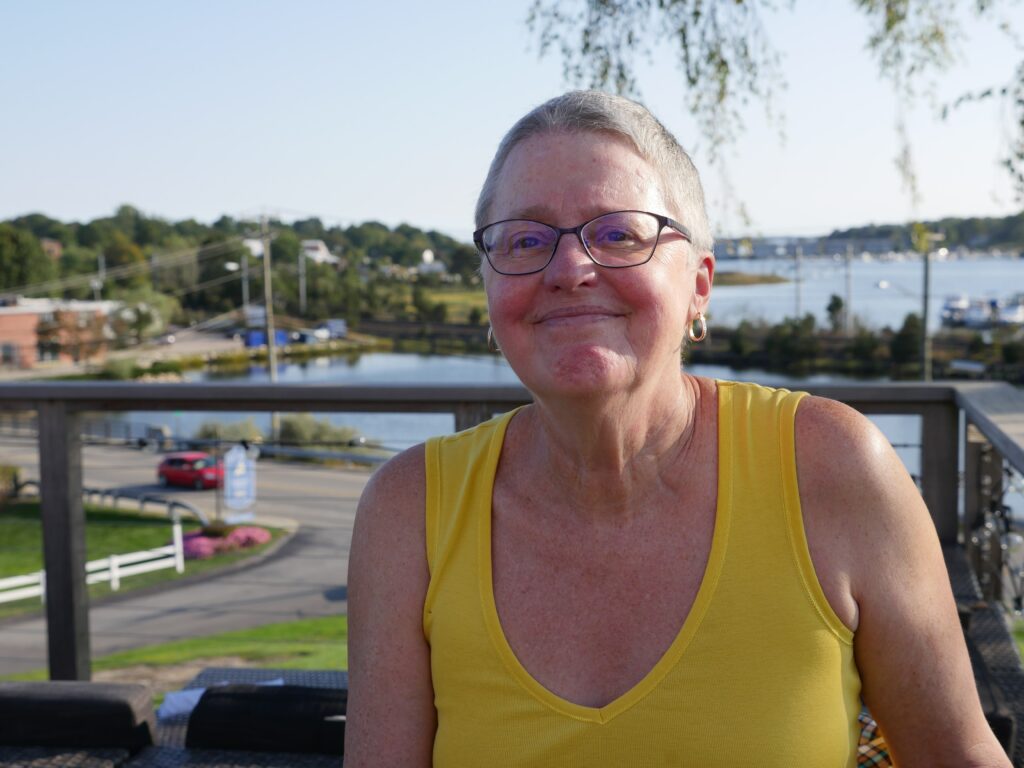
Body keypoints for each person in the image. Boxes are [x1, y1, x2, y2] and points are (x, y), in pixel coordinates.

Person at [345, 91, 1008, 767]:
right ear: (489, 289)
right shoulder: (409, 510)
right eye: (525, 240)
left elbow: (955, 755)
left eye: (618, 234)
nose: (570, 269)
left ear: (699, 286)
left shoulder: (831, 467)